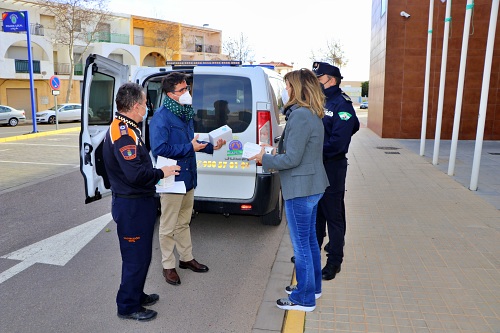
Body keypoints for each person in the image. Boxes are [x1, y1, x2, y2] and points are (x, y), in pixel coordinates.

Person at [250, 69, 329, 312]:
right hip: (311, 186)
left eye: (287, 86)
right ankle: (312, 287)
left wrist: (265, 158)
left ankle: (304, 298)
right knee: (309, 242)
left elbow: (293, 159)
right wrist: (272, 151)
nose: (285, 91)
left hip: (301, 188)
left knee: (302, 246)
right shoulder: (309, 114)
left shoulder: (301, 116)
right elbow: (299, 153)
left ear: (296, 89)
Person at [102, 82, 181, 321]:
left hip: (137, 203)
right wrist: (161, 173)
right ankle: (127, 305)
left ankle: (136, 294)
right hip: (132, 206)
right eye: (145, 104)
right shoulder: (124, 134)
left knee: (142, 255)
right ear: (136, 106)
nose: (147, 108)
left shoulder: (127, 126)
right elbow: (135, 174)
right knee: (135, 258)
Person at [149, 72, 226, 286]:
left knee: (184, 222)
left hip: (188, 177)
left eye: (187, 88)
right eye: (182, 90)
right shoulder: (161, 117)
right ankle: (168, 265)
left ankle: (186, 258)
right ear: (170, 93)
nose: (187, 93)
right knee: (167, 226)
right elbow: (159, 149)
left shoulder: (185, 112)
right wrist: (188, 148)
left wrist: (211, 146)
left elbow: (191, 142)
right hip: (171, 177)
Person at [312, 61, 360, 280]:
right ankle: (313, 252)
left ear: (331, 80)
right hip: (316, 167)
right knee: (317, 213)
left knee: (333, 215)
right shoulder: (318, 101)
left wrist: (312, 151)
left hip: (332, 168)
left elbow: (339, 143)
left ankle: (334, 261)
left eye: (319, 79)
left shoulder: (342, 104)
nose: (316, 83)